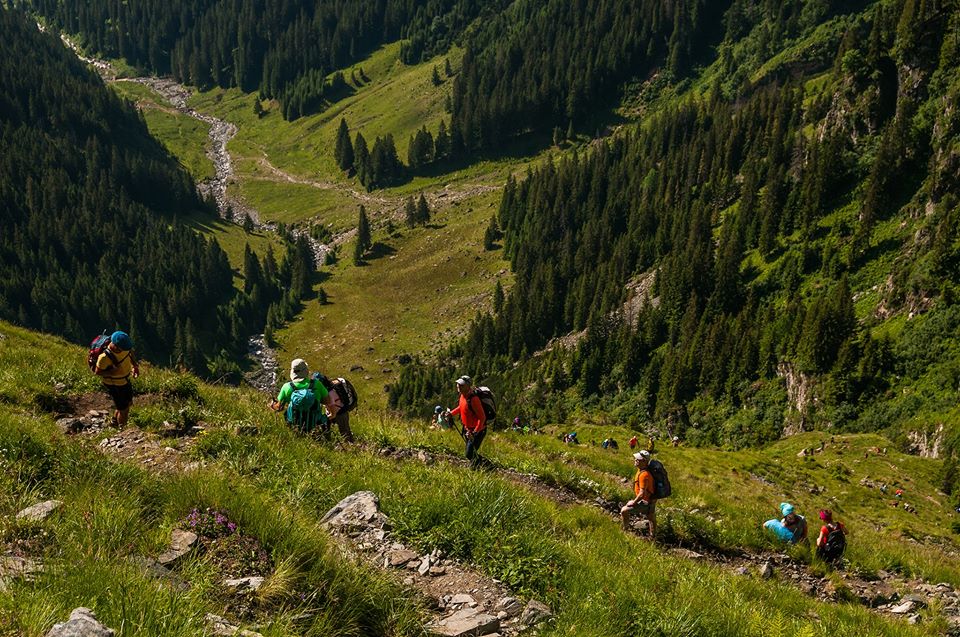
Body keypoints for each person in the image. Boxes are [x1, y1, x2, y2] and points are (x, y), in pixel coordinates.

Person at [271, 359, 333, 434]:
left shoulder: (286, 387)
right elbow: (328, 401)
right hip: (315, 424)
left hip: (294, 426)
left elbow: (278, 407)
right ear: (306, 371)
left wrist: (272, 405)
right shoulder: (317, 384)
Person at [94, 330, 139, 428]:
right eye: (122, 348)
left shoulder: (124, 348)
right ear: (115, 345)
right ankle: (122, 430)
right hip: (114, 385)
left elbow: (130, 352)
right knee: (124, 410)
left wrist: (135, 366)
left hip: (124, 381)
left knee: (127, 403)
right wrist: (111, 372)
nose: (125, 350)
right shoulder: (104, 358)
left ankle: (114, 422)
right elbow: (97, 372)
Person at [448, 375, 487, 469]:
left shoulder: (474, 399)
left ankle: (486, 466)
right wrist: (451, 413)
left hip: (477, 431)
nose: (458, 386)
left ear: (468, 386)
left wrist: (475, 432)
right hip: (467, 429)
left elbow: (482, 418)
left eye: (461, 385)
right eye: (458, 384)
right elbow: (461, 407)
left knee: (469, 453)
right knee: (470, 451)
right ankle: (477, 466)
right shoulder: (462, 396)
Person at [621, 450, 656, 539]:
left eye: (638, 459)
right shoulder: (641, 470)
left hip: (646, 502)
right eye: (636, 458)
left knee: (624, 510)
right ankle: (653, 536)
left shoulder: (644, 475)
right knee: (651, 517)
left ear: (644, 461)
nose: (635, 460)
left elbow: (641, 493)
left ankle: (625, 530)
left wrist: (634, 502)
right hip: (650, 500)